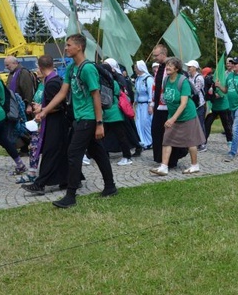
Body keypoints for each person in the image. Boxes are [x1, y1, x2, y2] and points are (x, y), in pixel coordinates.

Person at [36, 34, 117, 207]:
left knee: (73, 154)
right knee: (98, 152)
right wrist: (44, 111)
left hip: (88, 119)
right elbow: (62, 93)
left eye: (68, 45)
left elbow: (96, 96)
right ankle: (110, 186)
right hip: (79, 117)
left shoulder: (87, 69)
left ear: (79, 47)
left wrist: (99, 123)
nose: (65, 48)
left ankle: (70, 195)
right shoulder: (72, 68)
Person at [21, 55, 69, 195]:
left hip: (55, 122)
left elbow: (58, 106)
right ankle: (67, 179)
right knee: (60, 152)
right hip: (56, 121)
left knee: (50, 152)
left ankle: (40, 184)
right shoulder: (54, 80)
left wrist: (41, 109)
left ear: (40, 67)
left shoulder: (52, 83)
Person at [150, 57, 205, 176]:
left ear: (177, 68)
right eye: (167, 65)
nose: (167, 67)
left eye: (170, 65)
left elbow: (184, 103)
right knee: (167, 140)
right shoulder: (166, 80)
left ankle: (195, 165)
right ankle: (164, 167)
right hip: (172, 115)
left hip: (187, 115)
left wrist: (173, 119)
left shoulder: (183, 81)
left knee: (191, 142)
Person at [149, 45, 187, 168]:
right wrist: (152, 103)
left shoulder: (172, 67)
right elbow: (155, 87)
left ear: (163, 54)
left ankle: (172, 159)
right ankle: (161, 158)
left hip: (169, 106)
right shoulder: (159, 68)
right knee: (157, 132)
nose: (155, 58)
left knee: (170, 134)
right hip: (158, 106)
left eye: (156, 55)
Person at [203, 67, 233, 146]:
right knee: (207, 123)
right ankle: (204, 141)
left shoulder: (220, 82)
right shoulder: (209, 83)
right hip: (214, 108)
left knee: (226, 124)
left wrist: (209, 95)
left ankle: (230, 140)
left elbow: (219, 95)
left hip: (223, 107)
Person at [185, 60, 207, 151]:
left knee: (200, 123)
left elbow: (195, 91)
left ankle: (202, 143)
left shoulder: (199, 78)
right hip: (193, 104)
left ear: (194, 67)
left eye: (190, 67)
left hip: (199, 104)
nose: (188, 68)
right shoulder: (189, 77)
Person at [133, 60, 154, 149]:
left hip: (146, 105)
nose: (134, 69)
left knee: (146, 123)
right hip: (140, 105)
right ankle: (142, 141)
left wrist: (150, 105)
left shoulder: (148, 79)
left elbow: (151, 92)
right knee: (139, 123)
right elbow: (136, 92)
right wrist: (135, 101)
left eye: (136, 67)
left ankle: (150, 141)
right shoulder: (138, 79)